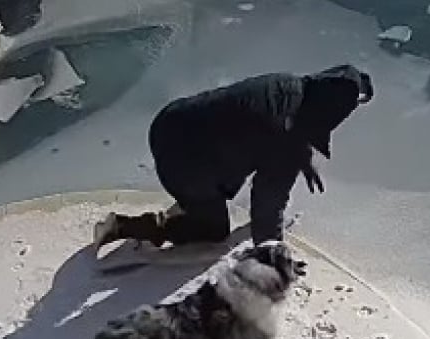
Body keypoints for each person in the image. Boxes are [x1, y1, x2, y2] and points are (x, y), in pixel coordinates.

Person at [95, 64, 373, 248]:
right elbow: (266, 208)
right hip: (183, 161)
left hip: (170, 122)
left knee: (232, 163)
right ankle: (126, 226)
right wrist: (272, 259)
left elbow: (281, 124)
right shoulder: (287, 138)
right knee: (214, 232)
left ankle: (195, 200)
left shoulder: (287, 84)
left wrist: (302, 157)